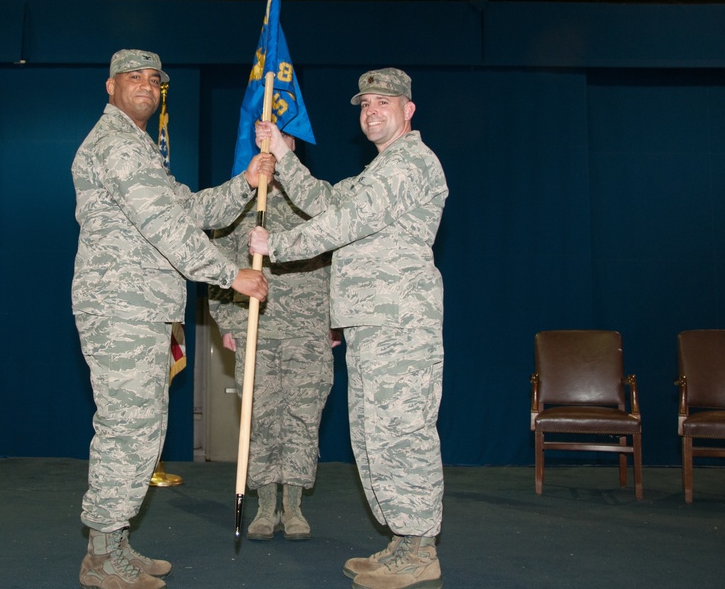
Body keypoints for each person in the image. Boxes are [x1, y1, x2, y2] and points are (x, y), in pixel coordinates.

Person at [72, 49, 274, 589]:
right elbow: (165, 225)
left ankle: (114, 543)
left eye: (153, 79)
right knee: (125, 429)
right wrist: (231, 275)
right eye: (131, 77)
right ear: (109, 87)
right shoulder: (115, 144)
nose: (144, 85)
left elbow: (187, 208)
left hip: (139, 308)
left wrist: (244, 181)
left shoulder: (140, 149)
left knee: (140, 430)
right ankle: (100, 557)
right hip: (120, 306)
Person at [249, 68, 448, 589]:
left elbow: (344, 223)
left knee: (403, 434)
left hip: (400, 324)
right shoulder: (377, 171)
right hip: (370, 323)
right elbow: (329, 202)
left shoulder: (412, 163)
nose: (372, 111)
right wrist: (284, 157)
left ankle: (421, 548)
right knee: (374, 436)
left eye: (384, 102)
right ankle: (404, 541)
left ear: (409, 110)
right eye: (364, 105)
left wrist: (279, 247)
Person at [208, 133, 338, 542]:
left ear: (293, 148)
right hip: (255, 328)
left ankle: (295, 507)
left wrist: (335, 322)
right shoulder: (241, 202)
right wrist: (227, 322)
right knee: (260, 419)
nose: (275, 145)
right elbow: (219, 266)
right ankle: (265, 506)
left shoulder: (316, 202)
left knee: (302, 417)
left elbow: (342, 262)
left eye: (284, 139)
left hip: (307, 331)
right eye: (268, 138)